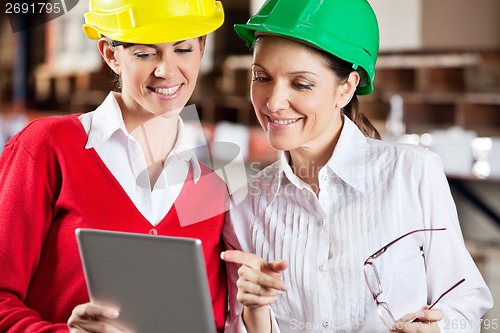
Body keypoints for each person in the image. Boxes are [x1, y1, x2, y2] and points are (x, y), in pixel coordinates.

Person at [221, 0, 494, 332]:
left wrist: (437, 329)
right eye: (262, 77)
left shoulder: (412, 174)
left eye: (301, 84)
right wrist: (256, 313)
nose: (274, 102)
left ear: (346, 87)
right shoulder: (244, 207)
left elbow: (465, 302)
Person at [0, 0, 230, 332]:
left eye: (183, 49)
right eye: (144, 53)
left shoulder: (212, 180)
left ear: (202, 48)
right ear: (110, 54)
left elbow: (210, 320)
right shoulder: (49, 148)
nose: (166, 70)